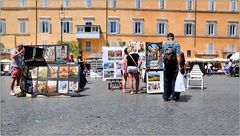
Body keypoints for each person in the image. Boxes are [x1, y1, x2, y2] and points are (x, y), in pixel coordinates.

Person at [161, 33, 181, 102]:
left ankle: (166, 96)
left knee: (166, 80)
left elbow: (162, 55)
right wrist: (179, 65)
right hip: (174, 64)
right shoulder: (176, 44)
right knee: (174, 80)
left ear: (167, 38)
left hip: (166, 65)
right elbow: (178, 55)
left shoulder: (164, 44)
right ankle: (174, 96)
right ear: (173, 38)